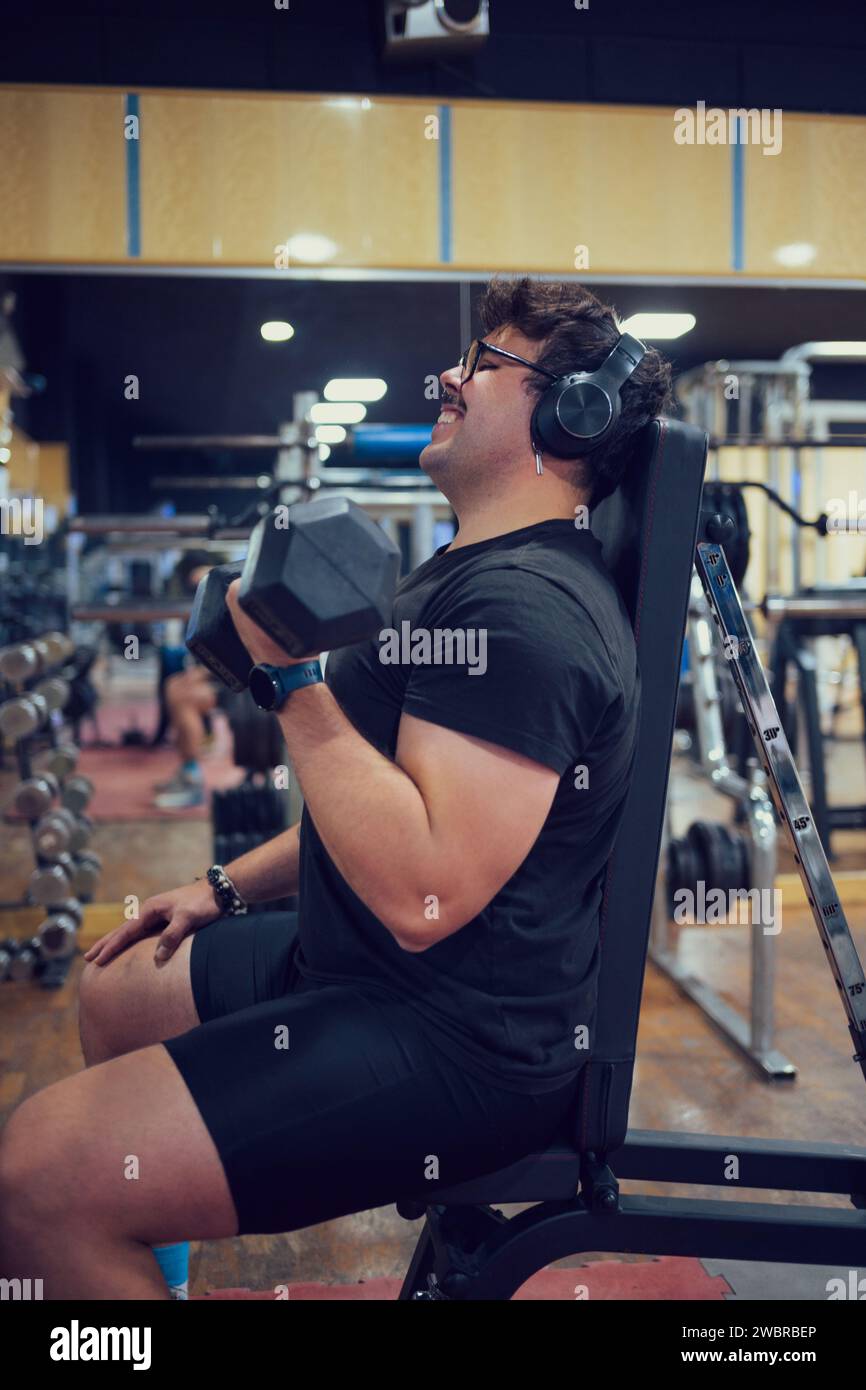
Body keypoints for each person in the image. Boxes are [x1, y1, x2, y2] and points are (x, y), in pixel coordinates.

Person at [0, 276, 672, 1298]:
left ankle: (91, 1227)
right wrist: (226, 885)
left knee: (38, 1175)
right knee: (119, 988)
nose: (447, 374)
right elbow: (389, 799)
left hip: (455, 1042)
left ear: (568, 412)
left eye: (484, 363)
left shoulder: (522, 614)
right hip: (356, 963)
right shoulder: (461, 573)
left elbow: (420, 892)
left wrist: (292, 685)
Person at [153, 551, 226, 810]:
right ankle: (185, 769)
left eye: (203, 579)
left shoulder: (231, 598)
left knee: (184, 697)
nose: (198, 586)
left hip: (245, 684)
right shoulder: (208, 601)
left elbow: (242, 655)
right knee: (172, 686)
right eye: (195, 583)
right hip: (222, 675)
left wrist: (204, 673)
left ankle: (194, 783)